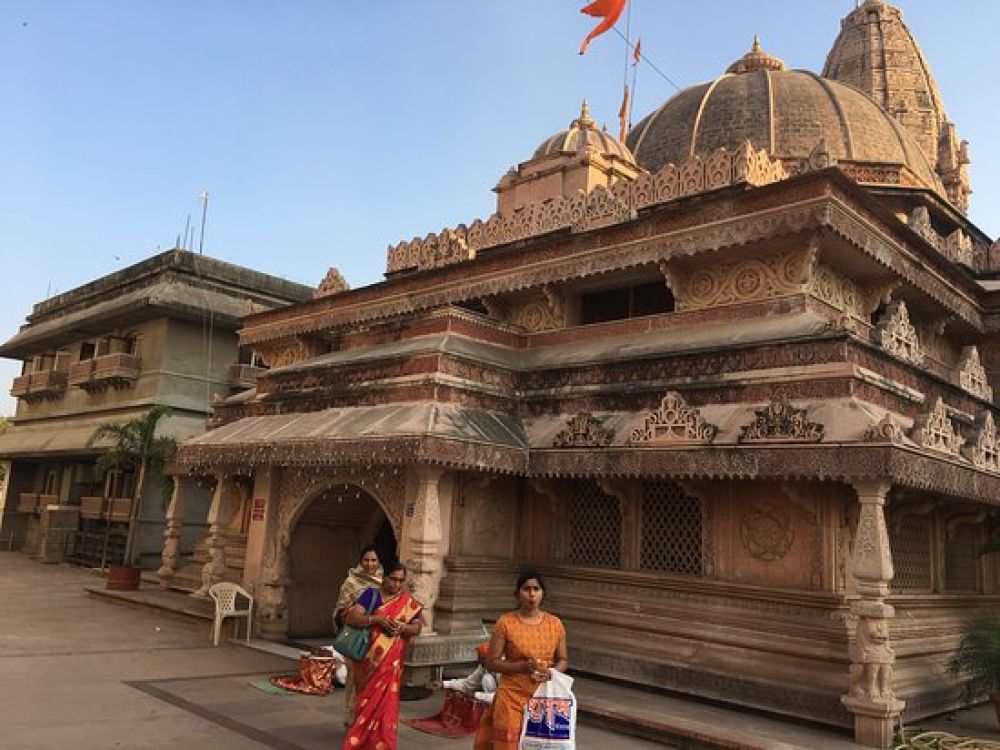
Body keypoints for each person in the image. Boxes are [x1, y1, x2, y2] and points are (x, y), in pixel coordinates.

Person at [473, 571, 568, 750]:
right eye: (526, 589)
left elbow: (563, 660)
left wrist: (551, 672)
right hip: (511, 696)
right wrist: (522, 666)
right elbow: (491, 662)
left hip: (544, 697)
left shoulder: (555, 624)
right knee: (509, 744)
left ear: (543, 593)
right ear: (517, 594)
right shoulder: (506, 623)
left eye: (536, 589)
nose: (532, 594)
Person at [341, 560, 423, 750]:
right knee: (367, 700)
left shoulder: (407, 603)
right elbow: (353, 617)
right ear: (384, 577)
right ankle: (360, 741)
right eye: (393, 579)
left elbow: (417, 627)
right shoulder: (372, 595)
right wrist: (378, 619)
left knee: (387, 703)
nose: (396, 584)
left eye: (400, 581)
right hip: (369, 659)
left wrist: (403, 627)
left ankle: (383, 744)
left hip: (392, 662)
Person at [335, 547, 383, 724]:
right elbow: (340, 610)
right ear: (360, 562)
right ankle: (351, 716)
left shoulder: (385, 582)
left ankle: (367, 718)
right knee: (354, 679)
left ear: (379, 562)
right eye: (366, 560)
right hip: (357, 636)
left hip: (377, 637)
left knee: (373, 679)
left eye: (373, 560)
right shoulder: (351, 582)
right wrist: (355, 612)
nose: (370, 564)